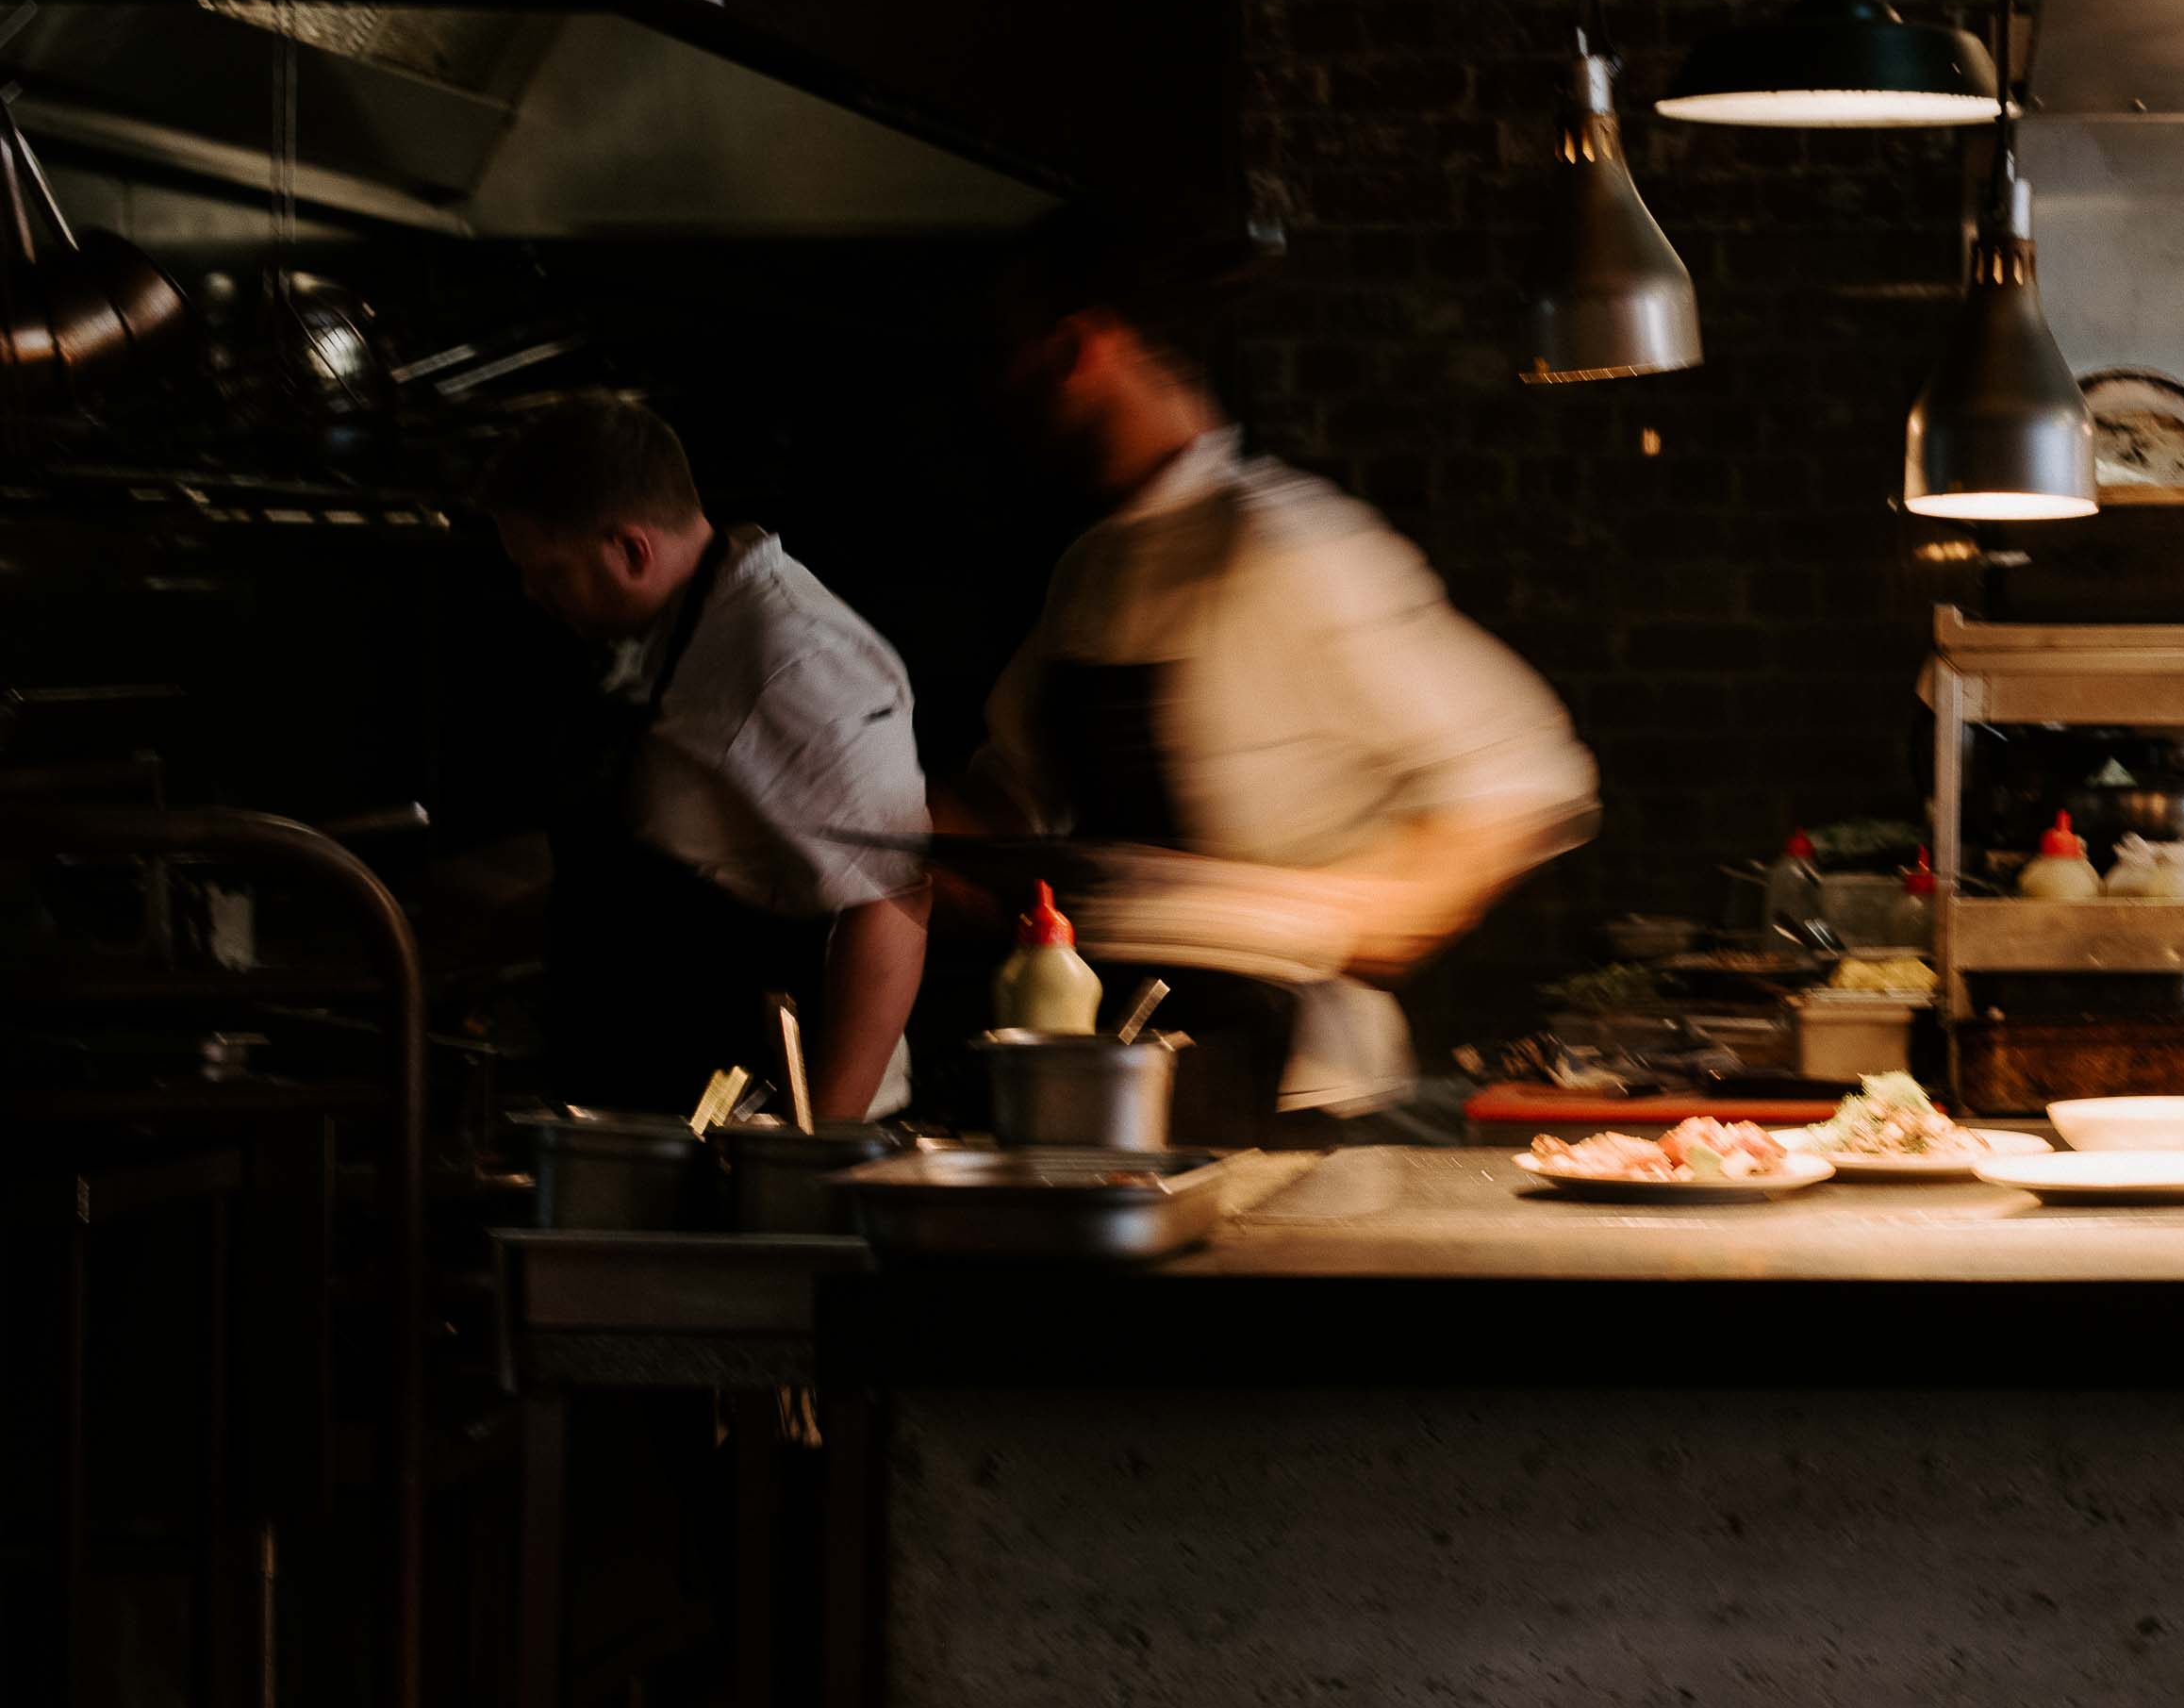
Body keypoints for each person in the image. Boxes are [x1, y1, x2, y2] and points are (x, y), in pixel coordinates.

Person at [960, 208, 1597, 1141]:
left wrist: (1347, 912)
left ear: (1079, 350)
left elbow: (1525, 781)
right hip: (1121, 1094)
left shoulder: (1289, 547)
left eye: (1013, 361)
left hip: (1304, 1109)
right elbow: (1007, 805)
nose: (1000, 396)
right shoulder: (1088, 570)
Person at [488, 394, 932, 1119]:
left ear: (631, 549)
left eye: (549, 572)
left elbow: (892, 903)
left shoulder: (795, 655)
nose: (533, 595)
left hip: (765, 1123)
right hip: (662, 1105)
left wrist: (815, 1152)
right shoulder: (668, 633)